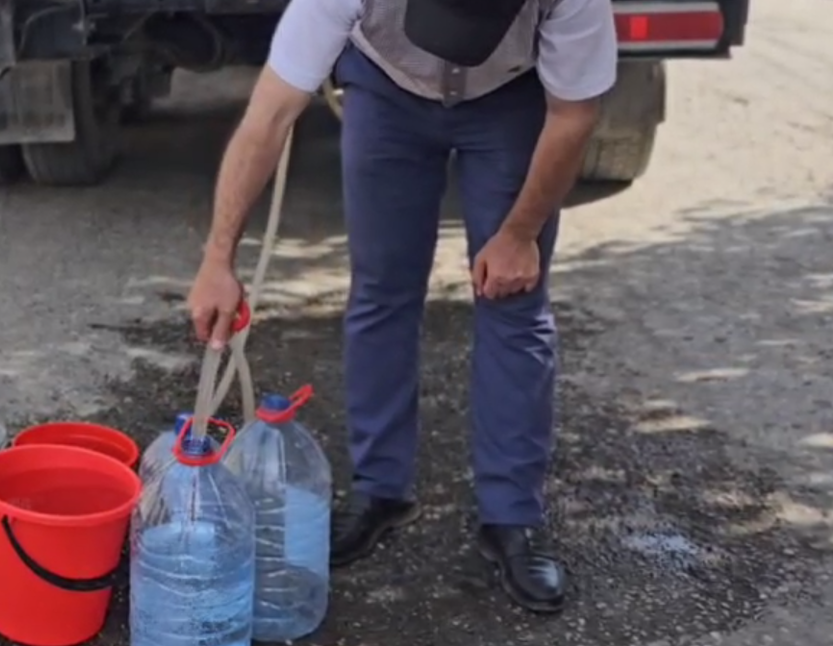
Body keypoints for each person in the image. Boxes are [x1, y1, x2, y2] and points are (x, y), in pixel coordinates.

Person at [187, 0, 618, 613]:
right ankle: (380, 489)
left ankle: (513, 518)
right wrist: (218, 260)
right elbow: (269, 114)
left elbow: (573, 115)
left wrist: (520, 233)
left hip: (510, 99)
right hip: (388, 95)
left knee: (513, 301)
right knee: (381, 292)